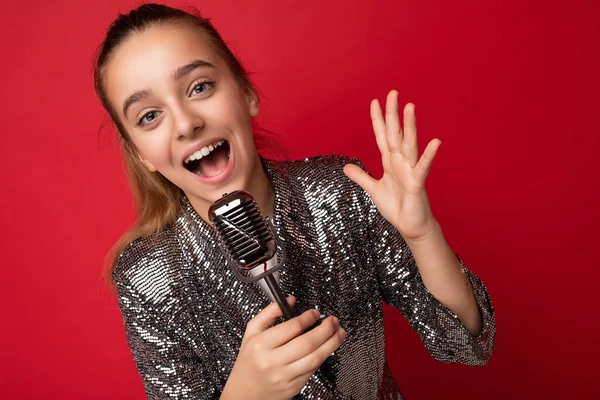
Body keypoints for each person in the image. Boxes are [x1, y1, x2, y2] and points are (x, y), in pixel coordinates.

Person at [93, 3, 495, 399]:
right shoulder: (147, 276)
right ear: (141, 153)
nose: (185, 123)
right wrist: (246, 394)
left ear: (246, 93)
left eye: (200, 87)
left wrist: (422, 235)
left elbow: (466, 346)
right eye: (149, 116)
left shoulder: (339, 191)